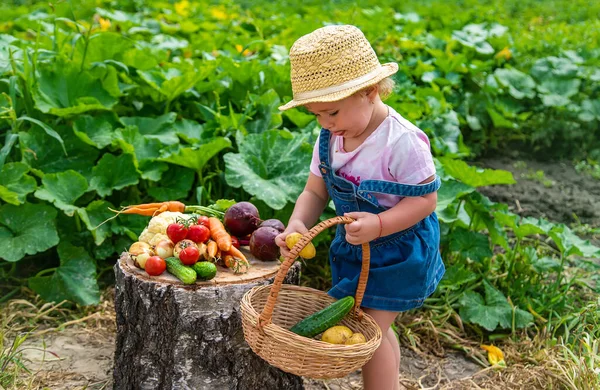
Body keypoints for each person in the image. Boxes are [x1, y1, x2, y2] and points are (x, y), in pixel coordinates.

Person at [275, 25, 445, 390]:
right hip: (356, 250)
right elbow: (314, 192)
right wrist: (297, 223)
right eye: (316, 115)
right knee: (376, 326)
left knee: (366, 331)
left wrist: (381, 224)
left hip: (401, 250)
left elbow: (425, 201)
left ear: (369, 91)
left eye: (331, 112)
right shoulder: (331, 138)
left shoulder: (402, 142)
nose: (325, 124)